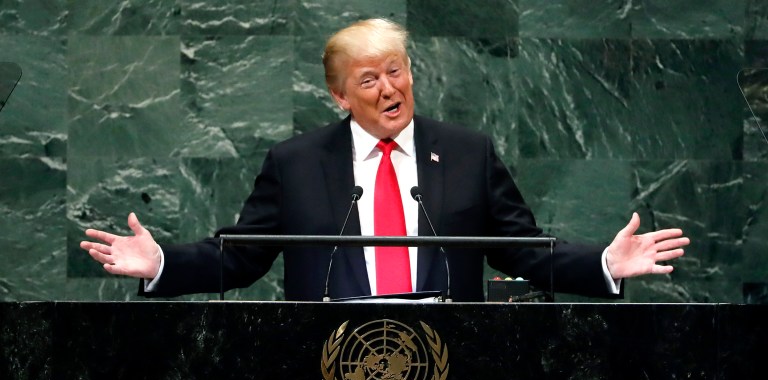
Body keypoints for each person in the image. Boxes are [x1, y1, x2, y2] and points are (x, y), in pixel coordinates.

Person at [80, 18, 689, 302]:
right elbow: (239, 258)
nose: (388, 88)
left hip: (454, 365)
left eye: (396, 70)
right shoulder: (296, 162)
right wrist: (161, 263)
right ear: (340, 96)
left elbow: (519, 247)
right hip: (327, 363)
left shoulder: (466, 152)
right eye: (368, 79)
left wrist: (603, 263)